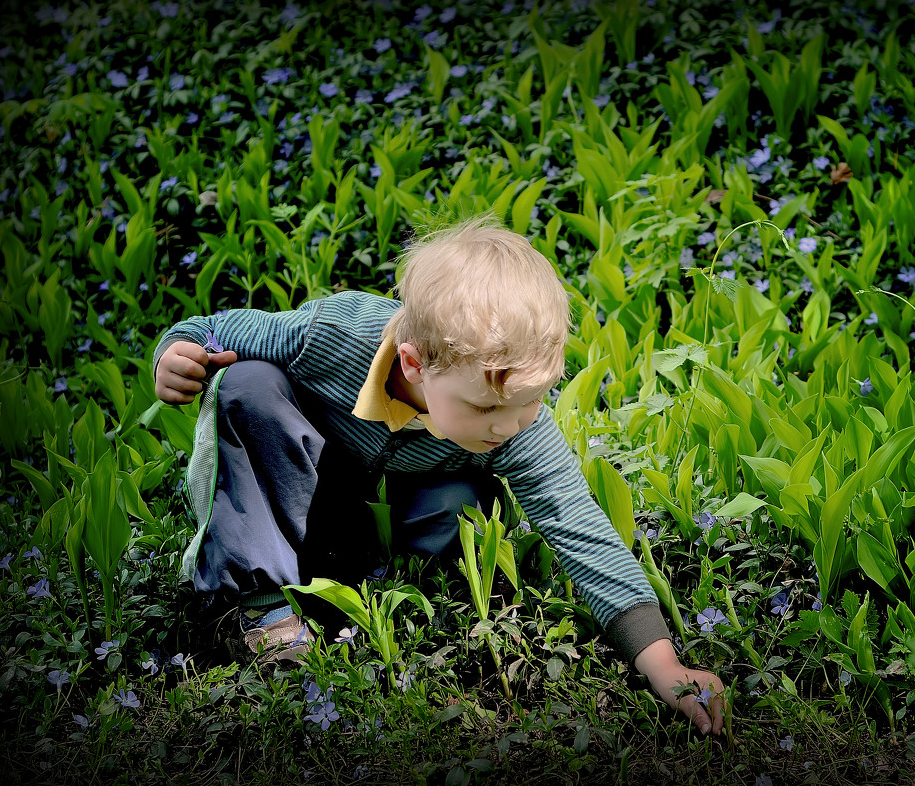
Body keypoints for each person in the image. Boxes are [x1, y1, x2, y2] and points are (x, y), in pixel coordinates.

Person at [153, 215, 725, 736]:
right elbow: (211, 327)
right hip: (305, 484)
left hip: (399, 511)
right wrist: (174, 355)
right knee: (249, 384)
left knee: (465, 499)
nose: (508, 426)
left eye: (530, 403)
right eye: (486, 408)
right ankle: (258, 604)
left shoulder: (514, 424)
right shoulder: (328, 337)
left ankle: (380, 583)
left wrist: (664, 663)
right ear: (413, 365)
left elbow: (578, 526)